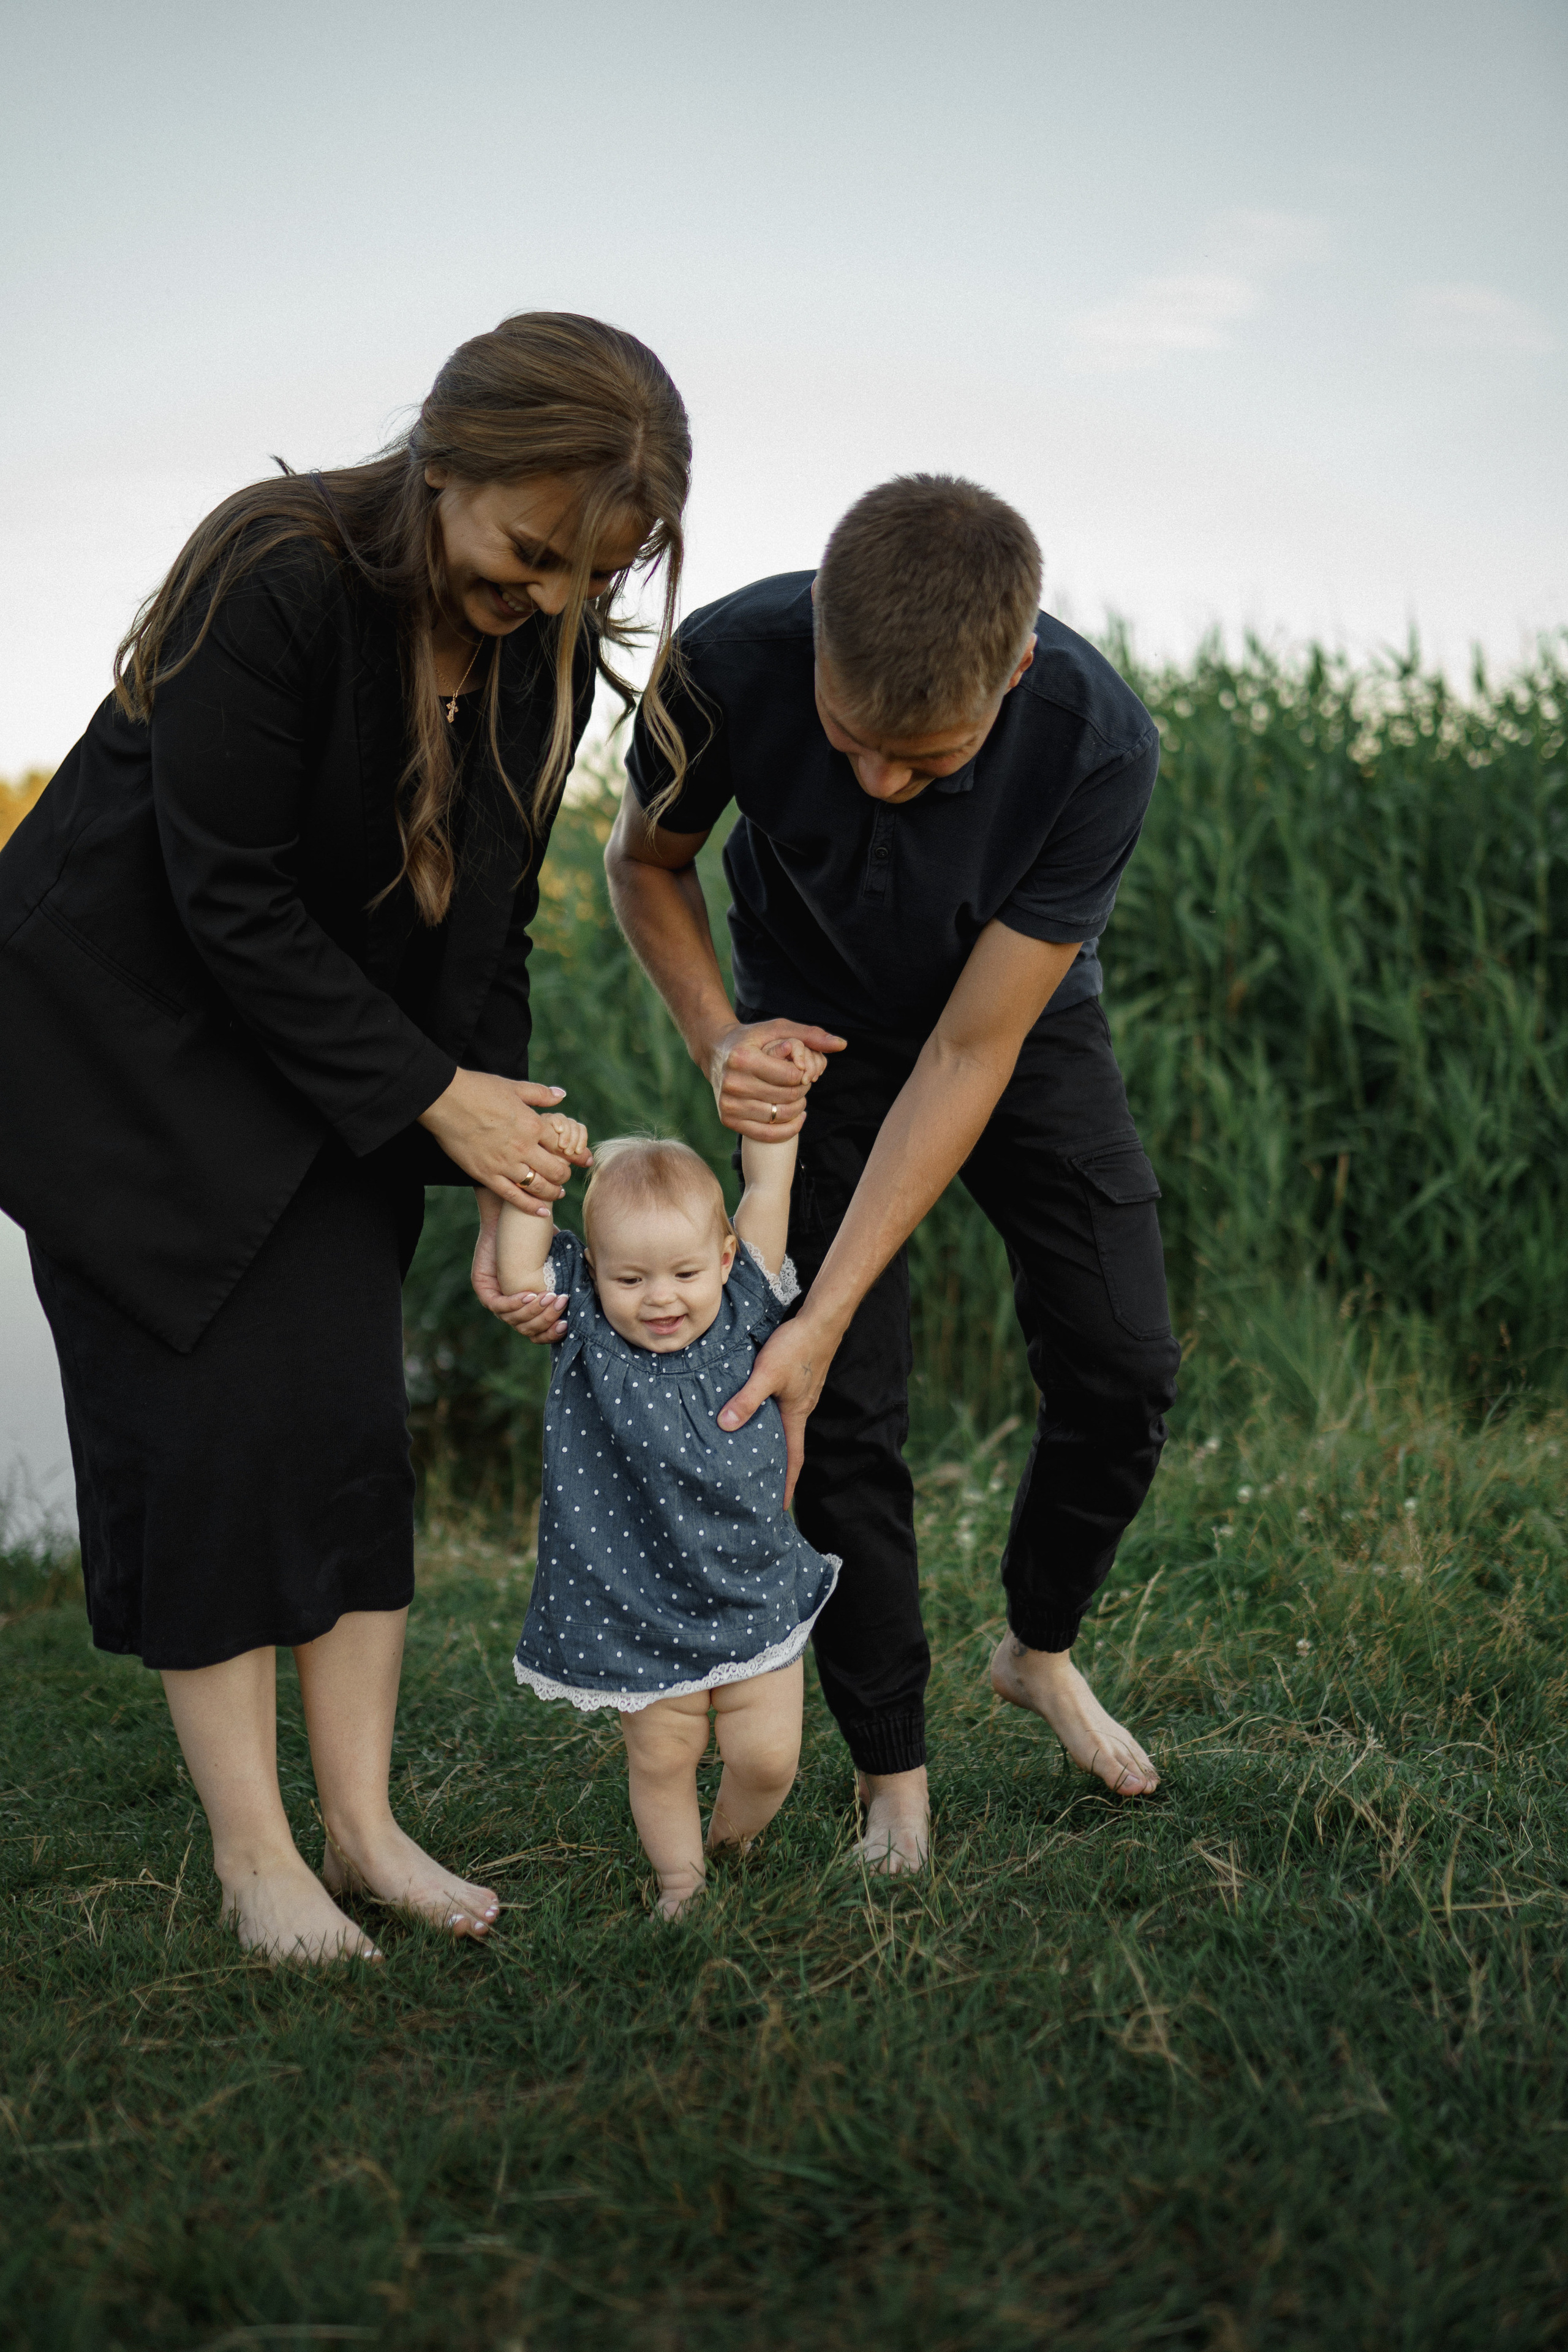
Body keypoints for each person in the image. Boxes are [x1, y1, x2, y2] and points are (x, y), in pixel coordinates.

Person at [0, 312, 690, 1962]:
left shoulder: (535, 659)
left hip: (323, 1056)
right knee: (206, 1440)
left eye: (582, 579)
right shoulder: (278, 568)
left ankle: (366, 1831)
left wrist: (510, 1172)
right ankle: (257, 1865)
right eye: (527, 552)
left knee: (340, 1433)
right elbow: (222, 892)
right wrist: (426, 1098)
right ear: (446, 454)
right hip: (118, 1048)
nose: (538, 601)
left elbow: (491, 940)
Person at [584, 473, 1180, 1874]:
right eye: (852, 743)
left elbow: (969, 1059)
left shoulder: (1097, 744)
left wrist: (822, 1299)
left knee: (1123, 1360)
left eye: (924, 762)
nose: (878, 784)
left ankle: (1037, 1650)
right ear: (812, 659)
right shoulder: (720, 667)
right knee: (835, 1419)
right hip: (808, 1035)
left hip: (1013, 1030)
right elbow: (641, 862)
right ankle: (889, 1771)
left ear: (1014, 672)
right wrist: (720, 1037)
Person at [497, 1115, 837, 1920]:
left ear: (722, 1259)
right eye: (630, 1279)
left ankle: (732, 1838)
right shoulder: (582, 1325)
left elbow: (768, 1185)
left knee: (768, 1759)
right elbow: (519, 1265)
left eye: (684, 1272)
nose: (660, 1299)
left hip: (748, 1585)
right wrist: (535, 1165)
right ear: (597, 1275)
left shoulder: (747, 1299)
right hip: (635, 1597)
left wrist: (778, 1115)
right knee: (664, 1753)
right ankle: (682, 1883)